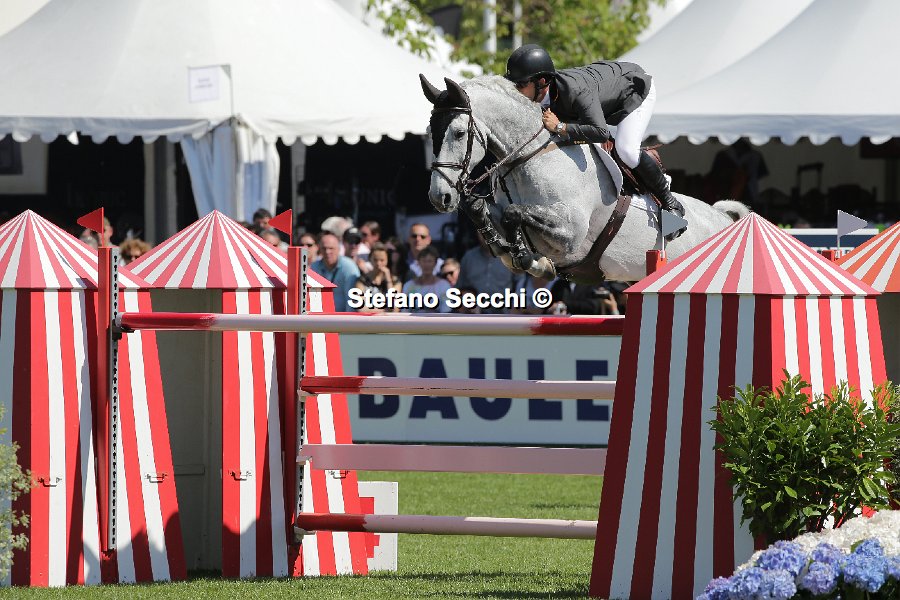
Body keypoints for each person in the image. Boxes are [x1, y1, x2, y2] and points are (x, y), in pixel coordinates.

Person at [505, 44, 686, 237]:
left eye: (520, 85)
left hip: (633, 91)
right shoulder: (541, 95)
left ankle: (671, 203)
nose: (516, 90)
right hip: (604, 98)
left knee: (627, 151)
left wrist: (561, 127)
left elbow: (600, 132)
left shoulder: (575, 90)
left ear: (541, 81)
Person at [457, 231, 515, 314]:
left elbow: (521, 286)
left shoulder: (511, 258)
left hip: (504, 314)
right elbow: (460, 288)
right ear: (477, 234)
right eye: (482, 233)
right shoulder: (468, 258)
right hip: (474, 314)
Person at [310, 232, 360, 312]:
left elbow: (352, 299)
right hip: (320, 316)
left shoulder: (349, 267)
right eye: (324, 248)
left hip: (343, 316)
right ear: (319, 249)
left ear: (339, 249)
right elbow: (312, 297)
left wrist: (349, 319)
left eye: (331, 248)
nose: (327, 252)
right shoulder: (314, 267)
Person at [402, 245, 451, 313]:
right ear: (419, 262)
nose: (426, 265)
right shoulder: (409, 286)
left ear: (435, 263)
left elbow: (446, 310)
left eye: (429, 261)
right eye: (424, 261)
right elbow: (405, 310)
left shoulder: (444, 286)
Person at [353, 244, 402, 312]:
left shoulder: (395, 281)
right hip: (368, 318)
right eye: (375, 260)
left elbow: (395, 307)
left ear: (387, 260)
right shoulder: (362, 280)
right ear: (370, 259)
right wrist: (385, 310)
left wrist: (388, 281)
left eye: (382, 260)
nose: (378, 263)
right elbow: (360, 308)